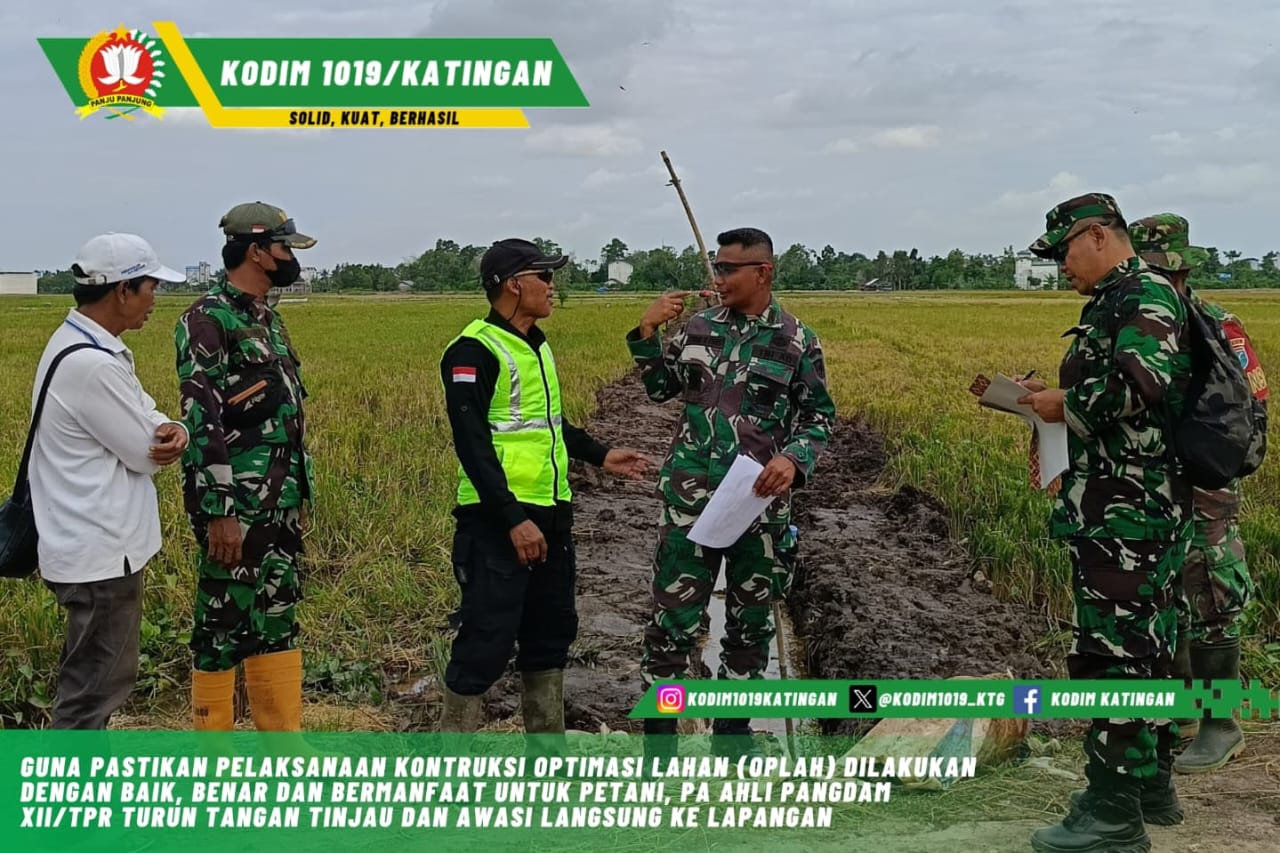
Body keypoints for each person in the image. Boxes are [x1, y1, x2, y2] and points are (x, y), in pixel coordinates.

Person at [1021, 194, 1193, 852]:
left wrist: (1060, 401)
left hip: (1126, 513)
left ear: (1097, 236)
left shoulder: (1141, 294)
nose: (1061, 265)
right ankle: (1148, 785)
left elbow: (1140, 383)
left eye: (1064, 250)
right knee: (1146, 646)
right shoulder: (1125, 296)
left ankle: (1112, 811)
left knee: (1113, 655)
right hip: (1130, 507)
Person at [625, 227, 835, 756]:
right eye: (716, 268)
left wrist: (792, 459)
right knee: (672, 624)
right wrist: (647, 332)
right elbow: (660, 390)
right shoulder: (697, 328)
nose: (717, 278)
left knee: (749, 624)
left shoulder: (796, 341)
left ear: (762, 273)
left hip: (756, 507)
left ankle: (733, 742)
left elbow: (819, 418)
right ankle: (660, 746)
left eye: (728, 269)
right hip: (690, 501)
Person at [438, 237, 651, 735]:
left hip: (552, 515)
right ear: (514, 285)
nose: (555, 288)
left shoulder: (535, 345)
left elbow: (549, 425)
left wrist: (601, 455)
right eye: (545, 277)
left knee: (550, 636)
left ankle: (547, 764)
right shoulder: (472, 351)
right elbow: (472, 447)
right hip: (497, 523)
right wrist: (514, 520)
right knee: (485, 641)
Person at [28, 233, 188, 728]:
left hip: (90, 547)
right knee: (92, 693)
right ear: (122, 291)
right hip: (99, 555)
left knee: (94, 683)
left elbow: (150, 418)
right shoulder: (93, 365)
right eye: (150, 288)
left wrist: (173, 428)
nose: (155, 300)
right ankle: (70, 798)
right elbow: (146, 451)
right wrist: (169, 436)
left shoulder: (84, 345)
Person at [1129, 213, 1266, 773]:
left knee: (1209, 586)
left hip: (1204, 480)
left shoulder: (1213, 326)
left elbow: (1251, 404)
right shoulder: (1148, 322)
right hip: (1154, 478)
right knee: (1170, 585)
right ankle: (1187, 709)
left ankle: (1221, 724)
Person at [176, 202, 317, 731]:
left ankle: (282, 746)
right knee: (222, 623)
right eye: (284, 247)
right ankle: (213, 755)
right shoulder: (207, 319)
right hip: (236, 507)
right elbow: (203, 419)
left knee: (277, 619)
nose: (290, 258)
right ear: (256, 251)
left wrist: (296, 496)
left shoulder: (267, 319)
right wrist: (220, 510)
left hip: (278, 503)